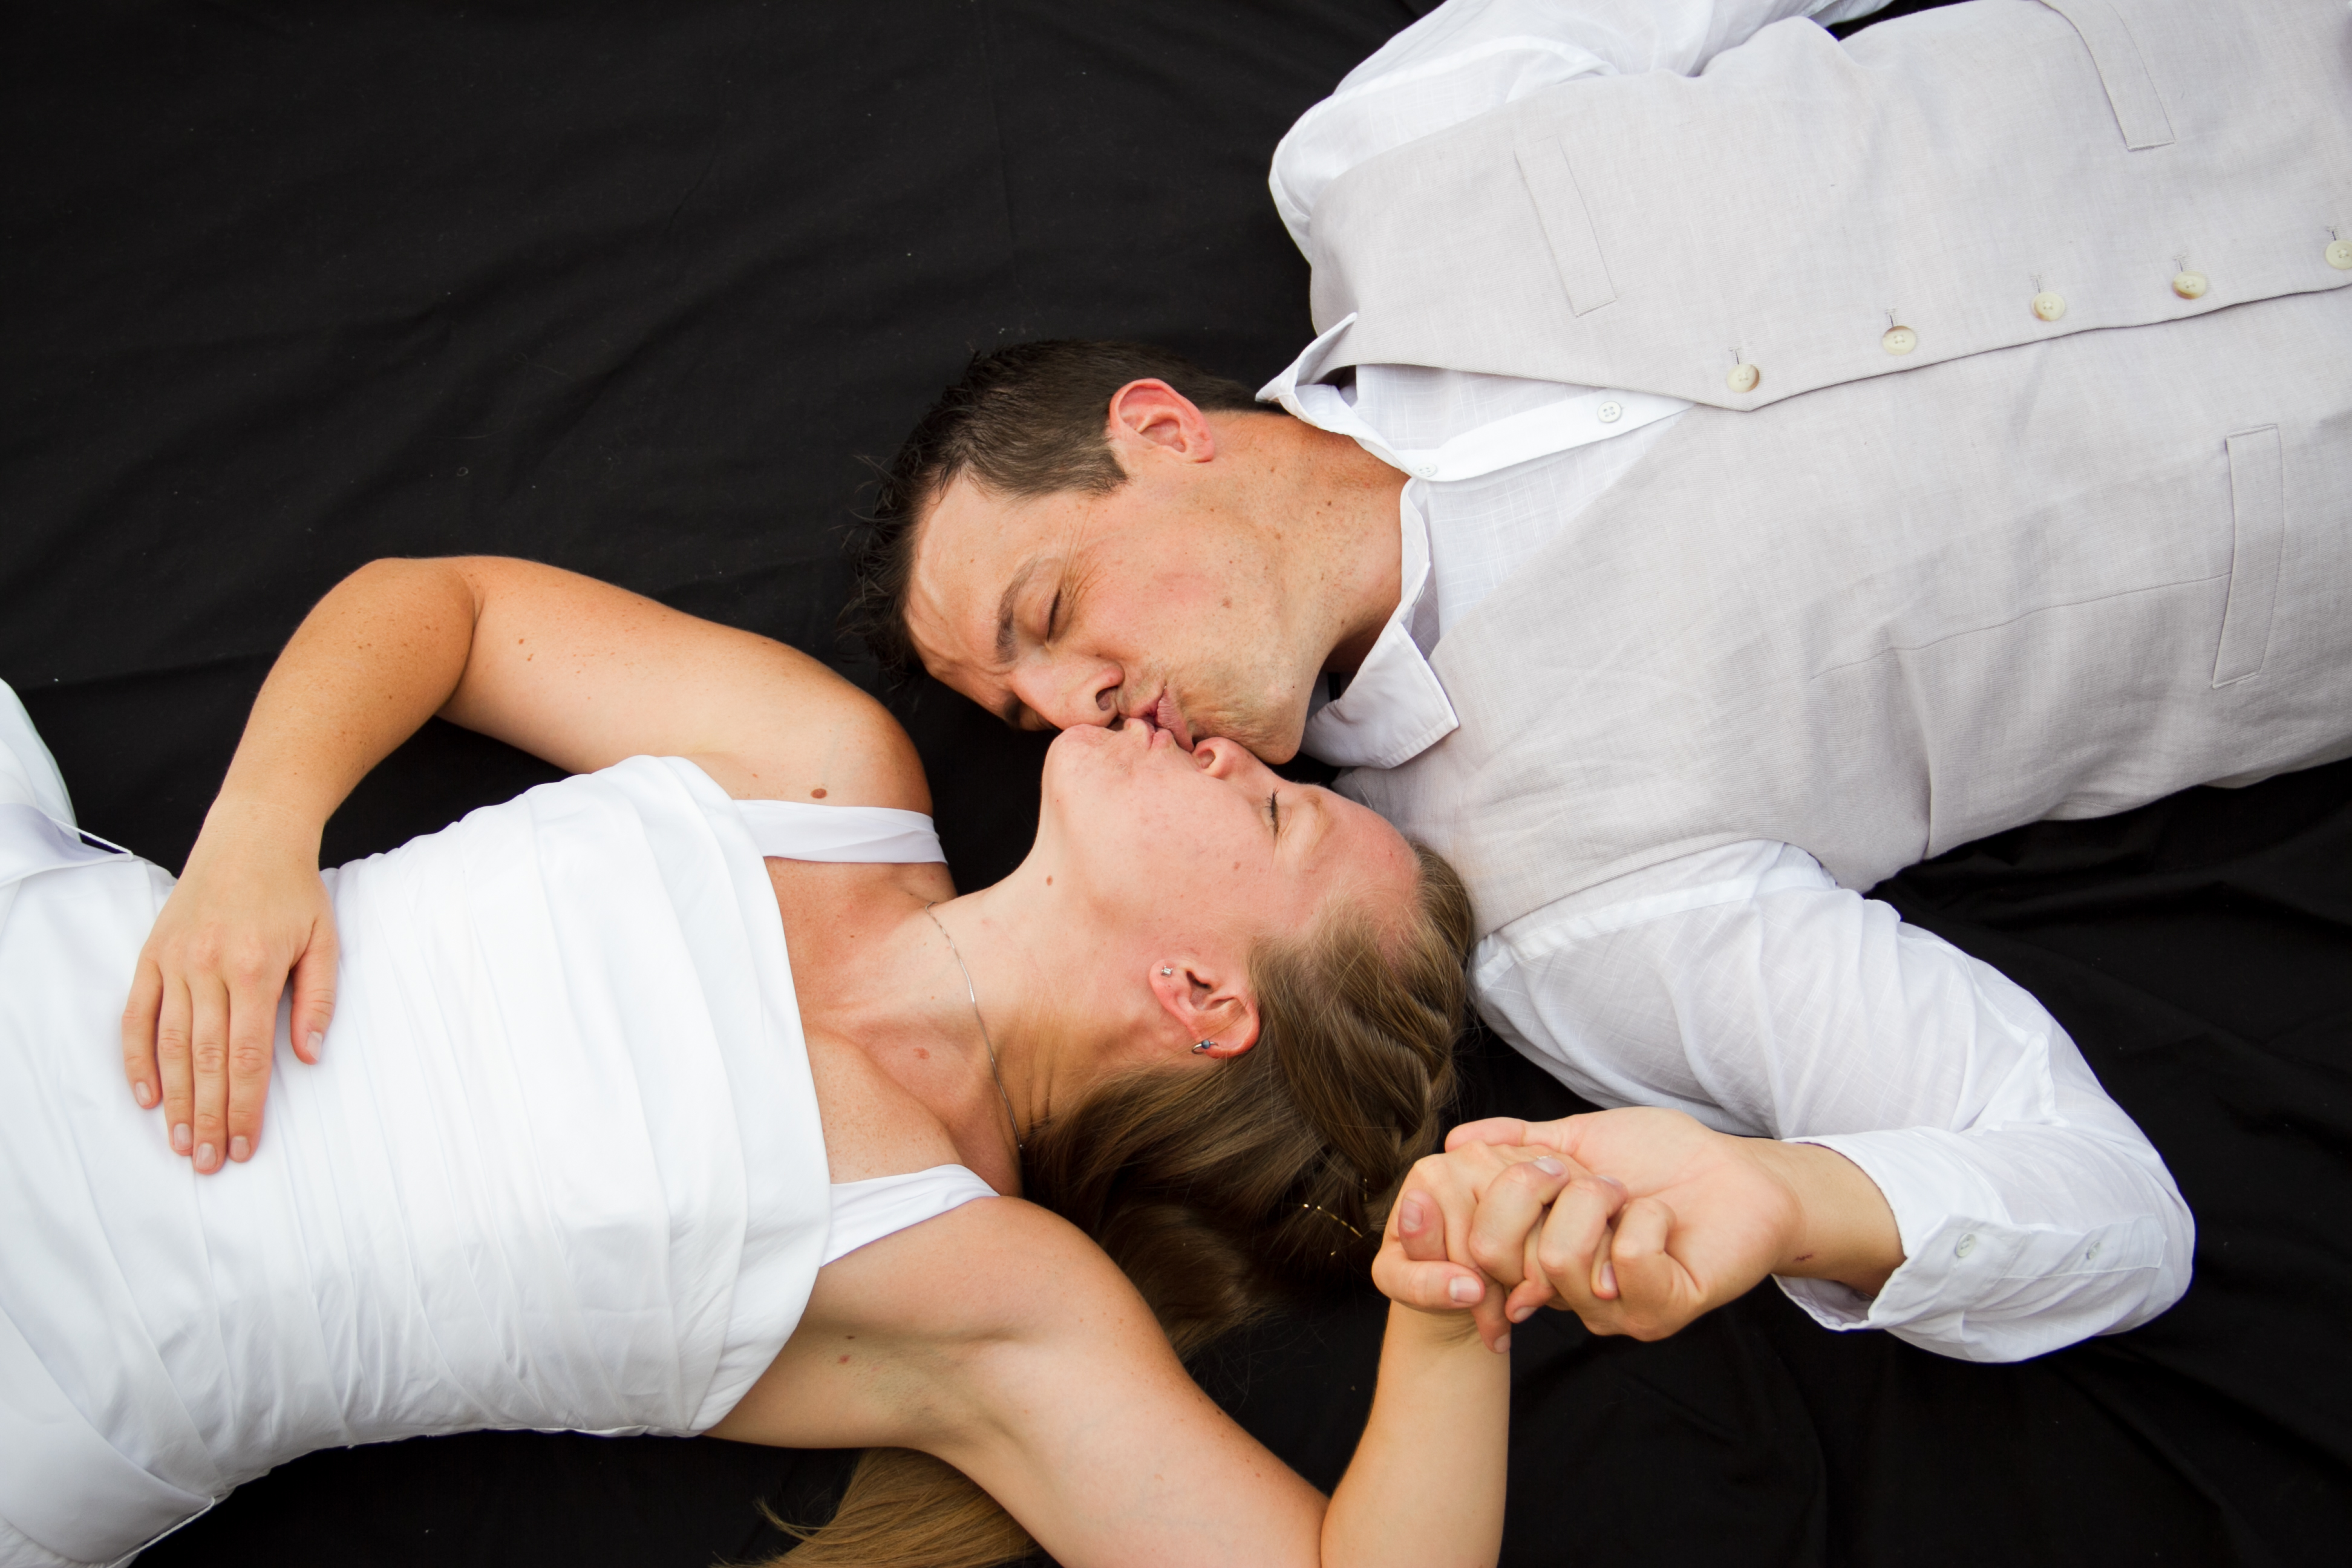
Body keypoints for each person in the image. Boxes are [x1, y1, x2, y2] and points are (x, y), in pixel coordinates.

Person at [854, 0, 2352, 1364]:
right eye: (1020, 710)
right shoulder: (1569, 914)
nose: (1070, 718)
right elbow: (2103, 1209)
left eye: (1047, 612)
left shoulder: (1395, 154)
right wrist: (1783, 1198)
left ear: (1162, 432)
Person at [0, 555, 1523, 1568]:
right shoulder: (826, 769)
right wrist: (262, 833)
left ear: (1202, 998)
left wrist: (1456, 1314)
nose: (1227, 744)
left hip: (56, 1370)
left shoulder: (987, 1290)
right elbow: (446, 609)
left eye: (1271, 812)